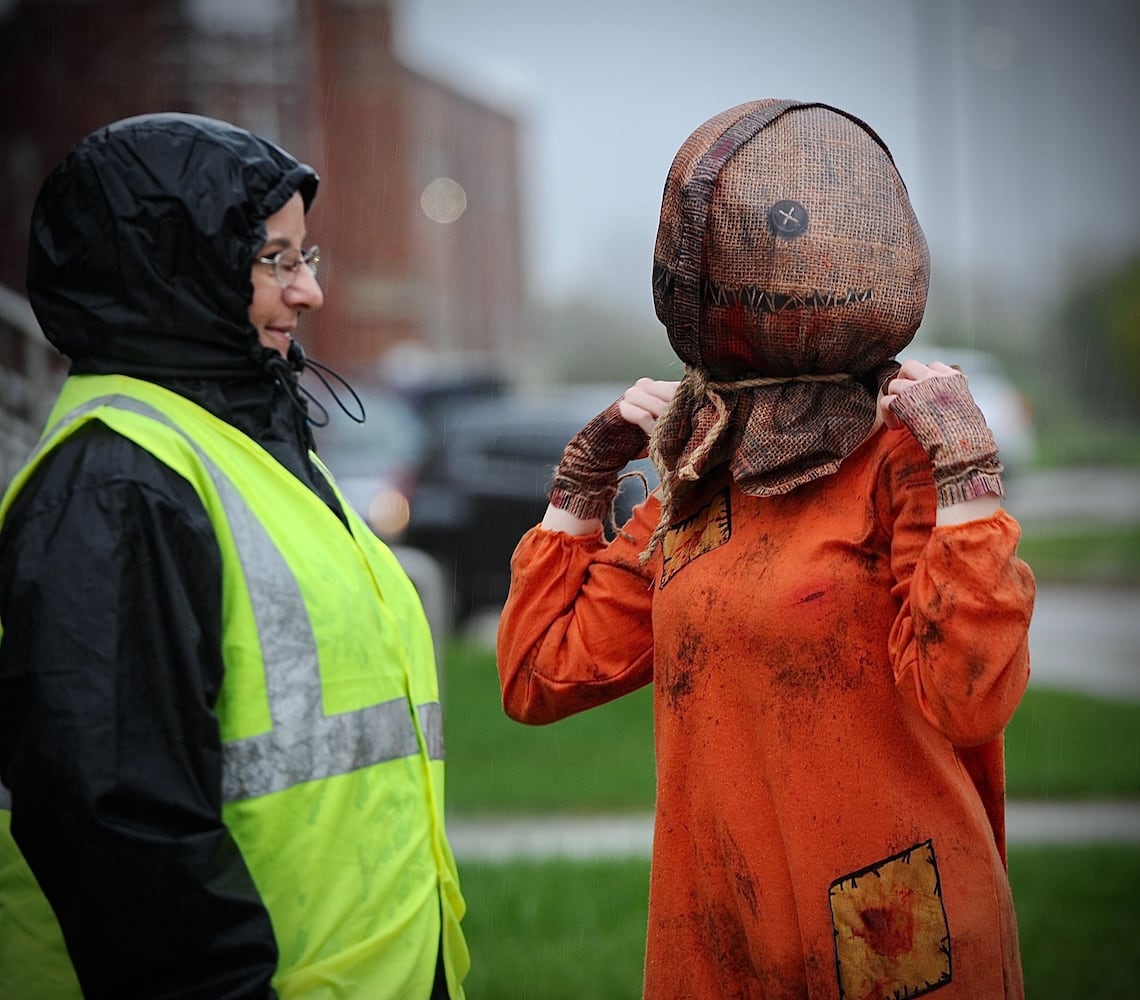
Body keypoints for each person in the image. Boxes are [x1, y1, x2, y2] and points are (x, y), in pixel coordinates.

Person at [497, 100, 1034, 999]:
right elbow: (538, 676)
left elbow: (969, 698)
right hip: (718, 938)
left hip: (895, 942)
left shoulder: (896, 453)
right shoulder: (703, 475)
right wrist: (582, 486)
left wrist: (967, 482)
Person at [0, 113, 468, 999]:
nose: (308, 293)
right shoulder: (119, 483)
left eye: (309, 258)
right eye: (275, 260)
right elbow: (121, 832)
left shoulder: (241, 440)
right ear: (176, 269)